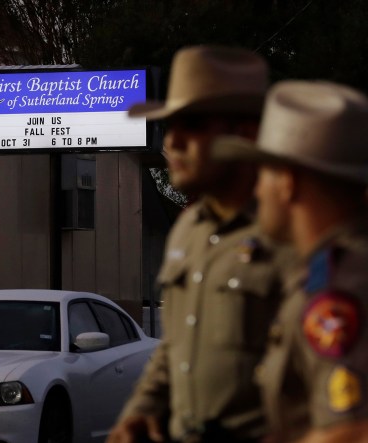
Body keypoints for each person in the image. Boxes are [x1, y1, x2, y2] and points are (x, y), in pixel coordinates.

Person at [107, 46, 293, 443]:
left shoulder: (292, 232)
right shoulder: (188, 227)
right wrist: (143, 409)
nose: (171, 141)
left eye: (191, 125)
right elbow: (176, 343)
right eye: (168, 126)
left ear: (243, 134)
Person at [212, 81, 368, 443]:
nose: (256, 190)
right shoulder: (334, 270)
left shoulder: (337, 287)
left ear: (288, 182)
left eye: (262, 174)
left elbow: (352, 431)